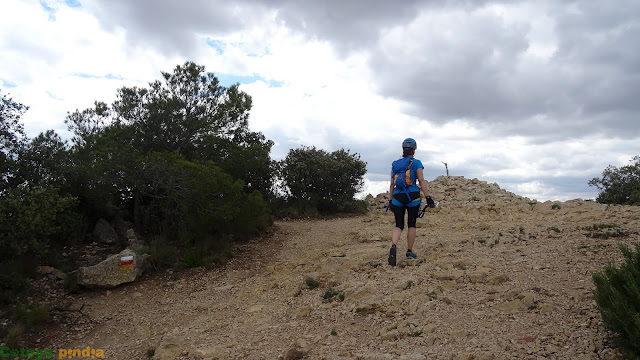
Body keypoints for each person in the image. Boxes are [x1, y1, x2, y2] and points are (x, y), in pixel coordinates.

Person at [387, 138, 432, 266]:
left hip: (397, 197)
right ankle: (409, 251)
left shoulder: (395, 164)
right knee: (411, 224)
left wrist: (390, 201)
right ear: (414, 150)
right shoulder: (416, 163)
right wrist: (428, 196)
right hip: (412, 196)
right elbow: (421, 180)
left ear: (403, 150)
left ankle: (394, 246)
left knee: (398, 224)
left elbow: (391, 184)